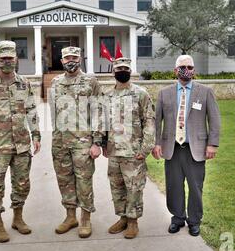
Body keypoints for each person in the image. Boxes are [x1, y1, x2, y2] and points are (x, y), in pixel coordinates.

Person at [0, 40, 41, 243]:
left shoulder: (24, 83)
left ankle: (18, 219)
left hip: (21, 144)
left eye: (10, 58)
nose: (7, 62)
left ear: (16, 59)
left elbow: (31, 110)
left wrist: (36, 135)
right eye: (3, 58)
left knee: (22, 184)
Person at [152, 55, 221, 236]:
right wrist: (156, 143)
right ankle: (177, 218)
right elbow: (156, 121)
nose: (187, 70)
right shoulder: (164, 93)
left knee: (195, 187)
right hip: (172, 148)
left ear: (194, 70)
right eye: (183, 67)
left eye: (190, 67)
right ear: (175, 71)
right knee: (174, 186)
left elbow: (214, 119)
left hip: (195, 149)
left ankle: (194, 221)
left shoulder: (205, 92)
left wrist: (212, 144)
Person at [49, 46, 103, 238]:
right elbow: (53, 112)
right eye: (67, 58)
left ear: (80, 59)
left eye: (74, 57)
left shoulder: (90, 81)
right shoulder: (55, 82)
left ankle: (86, 218)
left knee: (83, 180)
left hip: (83, 142)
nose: (70, 60)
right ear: (62, 61)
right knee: (64, 180)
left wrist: (97, 142)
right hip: (60, 141)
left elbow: (99, 111)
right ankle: (70, 216)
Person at [101, 58, 155, 239]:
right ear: (113, 72)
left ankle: (133, 221)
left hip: (133, 151)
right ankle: (123, 218)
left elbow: (149, 122)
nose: (122, 71)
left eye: (125, 68)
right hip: (114, 151)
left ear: (130, 71)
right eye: (118, 68)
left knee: (134, 187)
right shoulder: (107, 95)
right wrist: (102, 144)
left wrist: (145, 148)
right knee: (116, 187)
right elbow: (103, 122)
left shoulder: (141, 94)